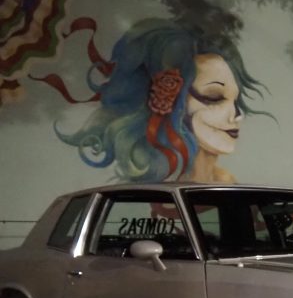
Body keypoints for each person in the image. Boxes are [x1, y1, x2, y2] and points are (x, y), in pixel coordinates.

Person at [53, 19, 267, 183]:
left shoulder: (229, 184)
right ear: (172, 103)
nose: (237, 114)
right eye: (213, 98)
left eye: (236, 101)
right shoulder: (158, 194)